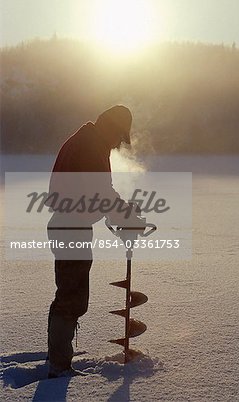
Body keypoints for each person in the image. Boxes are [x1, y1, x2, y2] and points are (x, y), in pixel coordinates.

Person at [46, 105, 144, 378]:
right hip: (71, 227)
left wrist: (122, 213)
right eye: (118, 137)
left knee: (69, 293)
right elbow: (100, 192)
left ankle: (57, 358)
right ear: (110, 128)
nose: (117, 145)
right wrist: (125, 215)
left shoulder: (86, 140)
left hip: (68, 224)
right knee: (71, 297)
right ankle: (59, 366)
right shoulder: (90, 145)